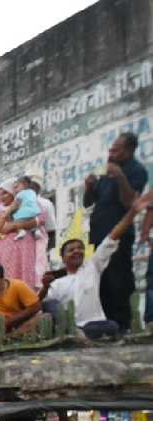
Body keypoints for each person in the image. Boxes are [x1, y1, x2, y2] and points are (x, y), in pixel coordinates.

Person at [40, 191, 152, 338]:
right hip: (72, 327)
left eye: (80, 248)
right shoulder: (57, 283)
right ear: (63, 258)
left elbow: (113, 236)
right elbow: (41, 304)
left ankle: (79, 334)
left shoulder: (92, 267)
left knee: (111, 326)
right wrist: (45, 287)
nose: (76, 251)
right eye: (71, 250)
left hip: (94, 325)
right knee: (50, 304)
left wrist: (132, 212)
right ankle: (72, 331)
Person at [84, 133, 149, 330]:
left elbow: (129, 202)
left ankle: (123, 326)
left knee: (119, 280)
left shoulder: (137, 171)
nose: (111, 153)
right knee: (100, 282)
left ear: (129, 150)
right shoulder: (105, 171)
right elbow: (89, 203)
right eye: (110, 149)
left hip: (119, 235)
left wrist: (120, 176)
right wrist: (88, 187)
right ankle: (106, 326)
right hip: (98, 235)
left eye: (116, 150)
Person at [0, 181, 43, 288]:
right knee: (6, 279)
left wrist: (13, 226)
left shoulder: (29, 205)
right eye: (0, 194)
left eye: (5, 193)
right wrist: (9, 213)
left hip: (24, 246)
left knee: (24, 277)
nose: (2, 197)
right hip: (4, 250)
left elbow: (39, 220)